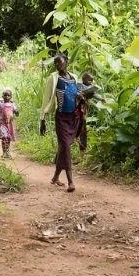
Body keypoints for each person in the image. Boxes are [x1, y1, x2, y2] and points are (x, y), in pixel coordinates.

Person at [39, 54, 80, 192]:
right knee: (66, 148)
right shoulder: (54, 78)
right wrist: (42, 120)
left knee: (63, 148)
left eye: (60, 62)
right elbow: (46, 99)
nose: (58, 65)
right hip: (61, 118)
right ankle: (71, 182)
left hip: (73, 118)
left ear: (66, 62)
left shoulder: (74, 77)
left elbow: (78, 96)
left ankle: (55, 177)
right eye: (55, 63)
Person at [77, 71, 101, 154]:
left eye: (92, 81)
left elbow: (95, 95)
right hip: (76, 110)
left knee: (83, 129)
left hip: (83, 111)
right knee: (76, 129)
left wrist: (101, 99)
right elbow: (77, 95)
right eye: (89, 80)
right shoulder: (79, 85)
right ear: (84, 79)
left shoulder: (91, 87)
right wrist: (83, 95)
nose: (90, 82)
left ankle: (83, 151)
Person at [0, 88, 19, 158]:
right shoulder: (0, 105)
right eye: (5, 95)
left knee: (8, 138)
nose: (7, 97)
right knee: (4, 137)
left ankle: (7, 152)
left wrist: (17, 112)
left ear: (11, 97)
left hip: (9, 124)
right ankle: (4, 152)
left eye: (8, 95)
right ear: (2, 96)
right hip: (2, 124)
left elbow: (17, 114)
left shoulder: (13, 105)